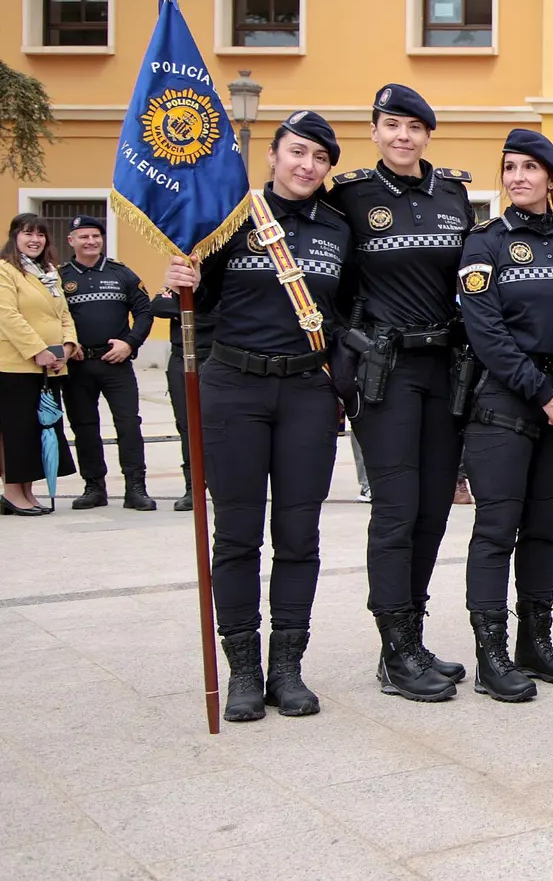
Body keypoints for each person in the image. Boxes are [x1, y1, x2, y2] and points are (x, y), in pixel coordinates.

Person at [161, 110, 351, 721]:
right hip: (234, 388)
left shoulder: (340, 229)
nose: (307, 166)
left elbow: (348, 315)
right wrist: (180, 279)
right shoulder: (229, 219)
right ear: (272, 155)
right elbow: (196, 298)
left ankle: (287, 668)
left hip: (305, 393)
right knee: (238, 535)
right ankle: (243, 667)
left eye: (320, 158)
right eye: (297, 152)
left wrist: (340, 382)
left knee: (299, 536)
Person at [327, 83, 474, 702]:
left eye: (414, 127)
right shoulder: (351, 197)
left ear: (427, 135)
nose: (403, 136)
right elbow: (331, 289)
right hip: (385, 370)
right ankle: (393, 649)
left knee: (435, 508)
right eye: (392, 125)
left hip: (444, 368)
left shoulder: (454, 194)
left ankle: (412, 635)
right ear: (376, 132)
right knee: (396, 510)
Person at [458, 129, 553, 702]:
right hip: (505, 402)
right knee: (495, 531)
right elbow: (484, 330)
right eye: (509, 168)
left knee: (544, 531)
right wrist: (542, 392)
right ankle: (491, 654)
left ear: (552, 179)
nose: (517, 177)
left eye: (530, 168)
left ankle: (534, 641)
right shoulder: (484, 242)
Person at [58, 216, 156, 511]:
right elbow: (49, 316)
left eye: (95, 236)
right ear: (71, 241)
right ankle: (94, 487)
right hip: (77, 366)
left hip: (116, 364)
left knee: (128, 425)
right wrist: (66, 345)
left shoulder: (121, 273)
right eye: (83, 236)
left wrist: (130, 343)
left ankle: (136, 488)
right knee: (84, 427)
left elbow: (144, 312)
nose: (90, 241)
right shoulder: (59, 277)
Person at [0, 214, 78, 515]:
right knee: (15, 431)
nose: (35, 239)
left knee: (38, 431)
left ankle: (28, 492)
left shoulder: (49, 272)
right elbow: (7, 316)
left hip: (51, 366)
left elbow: (63, 314)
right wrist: (36, 350)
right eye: (27, 233)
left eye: (40, 234)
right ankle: (11, 493)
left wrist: (68, 346)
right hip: (15, 366)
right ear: (14, 237)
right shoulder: (6, 270)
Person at [149, 288, 217, 511]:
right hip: (181, 360)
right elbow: (158, 306)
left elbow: (222, 313)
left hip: (215, 358)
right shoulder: (179, 284)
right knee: (187, 426)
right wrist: (192, 310)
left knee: (220, 426)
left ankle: (222, 487)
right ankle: (193, 487)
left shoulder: (222, 282)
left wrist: (185, 312)